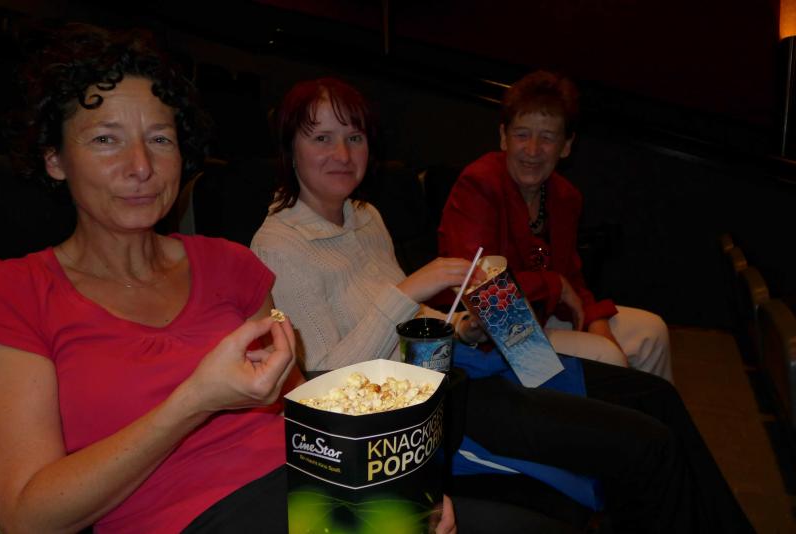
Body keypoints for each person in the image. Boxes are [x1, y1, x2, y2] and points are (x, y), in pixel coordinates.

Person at [0, 24, 462, 534]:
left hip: (309, 498)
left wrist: (386, 482)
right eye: (106, 139)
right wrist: (194, 402)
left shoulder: (231, 265)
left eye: (160, 139)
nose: (141, 166)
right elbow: (24, 517)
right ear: (55, 158)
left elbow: (303, 415)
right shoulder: (18, 291)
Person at [251, 76, 754, 533]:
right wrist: (410, 292)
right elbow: (323, 382)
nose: (342, 153)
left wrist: (460, 325)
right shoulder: (280, 246)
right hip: (423, 410)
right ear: (290, 148)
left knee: (656, 394)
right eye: (322, 138)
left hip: (465, 362)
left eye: (355, 137)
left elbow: (418, 322)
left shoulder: (366, 216)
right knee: (645, 442)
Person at [438, 70, 672, 381]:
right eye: (522, 134)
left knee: (652, 331)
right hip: (487, 332)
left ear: (566, 145)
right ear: (503, 137)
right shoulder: (479, 185)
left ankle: (644, 412)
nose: (533, 150)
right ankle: (609, 413)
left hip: (541, 316)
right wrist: (554, 285)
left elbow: (572, 276)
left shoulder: (565, 196)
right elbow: (480, 287)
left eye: (547, 137)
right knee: (607, 356)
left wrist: (596, 318)